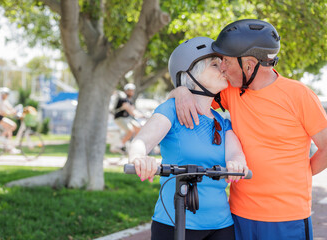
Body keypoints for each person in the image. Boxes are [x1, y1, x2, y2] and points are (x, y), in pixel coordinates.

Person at [169, 19, 327, 240]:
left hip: (286, 218)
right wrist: (181, 91)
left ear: (250, 65)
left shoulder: (299, 94)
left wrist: (299, 173)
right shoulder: (230, 91)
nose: (222, 67)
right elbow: (192, 94)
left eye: (227, 61)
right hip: (239, 214)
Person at [129, 37, 249, 240]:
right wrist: (140, 158)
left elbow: (236, 153)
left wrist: (238, 163)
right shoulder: (171, 110)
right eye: (214, 64)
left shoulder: (222, 121)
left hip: (221, 225)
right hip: (175, 222)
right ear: (190, 75)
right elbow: (141, 143)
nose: (223, 68)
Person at [111, 83, 142, 153]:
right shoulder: (123, 98)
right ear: (126, 91)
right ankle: (120, 146)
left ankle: (133, 144)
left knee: (138, 128)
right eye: (129, 90)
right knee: (130, 131)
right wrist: (135, 114)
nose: (131, 92)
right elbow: (130, 110)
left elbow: (133, 110)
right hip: (119, 118)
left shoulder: (130, 100)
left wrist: (141, 115)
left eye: (132, 90)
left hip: (127, 119)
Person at [0, 87, 20, 153]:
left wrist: (16, 111)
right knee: (13, 125)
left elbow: (10, 108)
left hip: (2, 117)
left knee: (9, 132)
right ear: (3, 94)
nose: (7, 96)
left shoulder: (5, 101)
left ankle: (10, 147)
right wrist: (11, 113)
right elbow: (3, 111)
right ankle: (1, 136)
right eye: (6, 94)